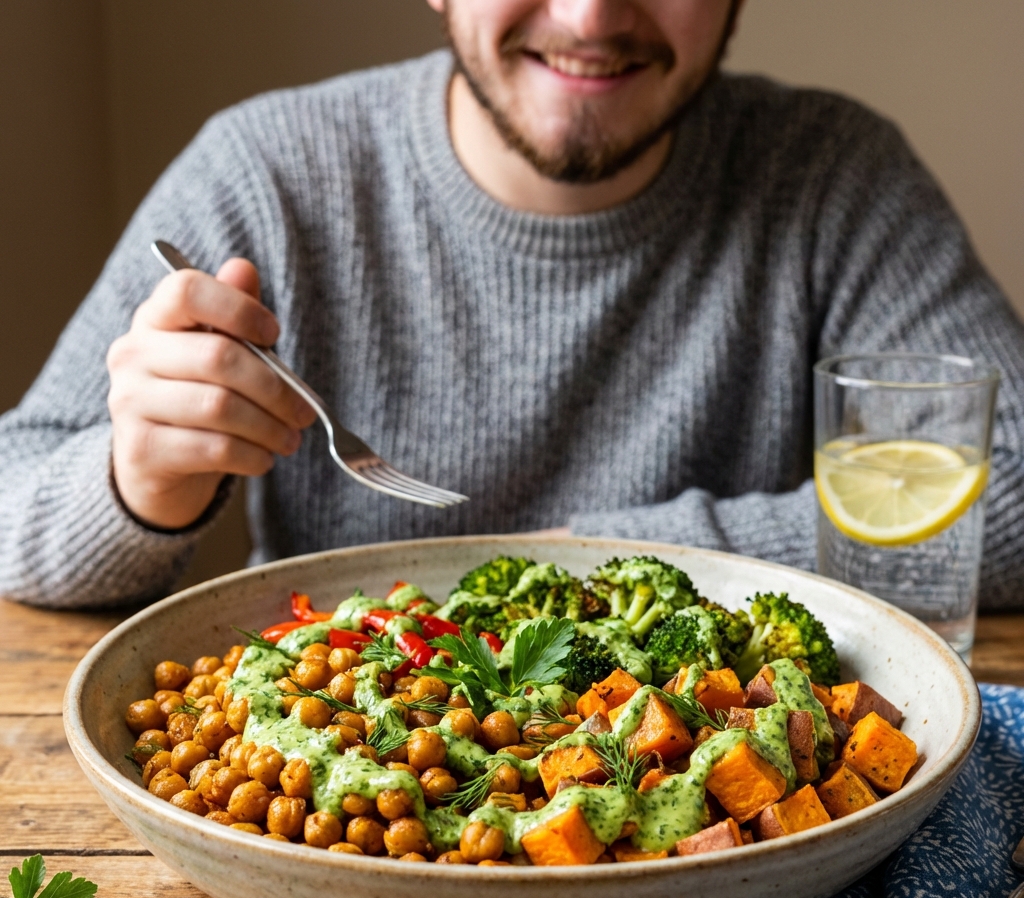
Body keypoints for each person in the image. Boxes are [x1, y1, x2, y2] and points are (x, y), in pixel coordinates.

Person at [1, 0, 1022, 609]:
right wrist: (137, 480)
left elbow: (1010, 489)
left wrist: (604, 566)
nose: (589, 21)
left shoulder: (837, 174)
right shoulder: (265, 171)